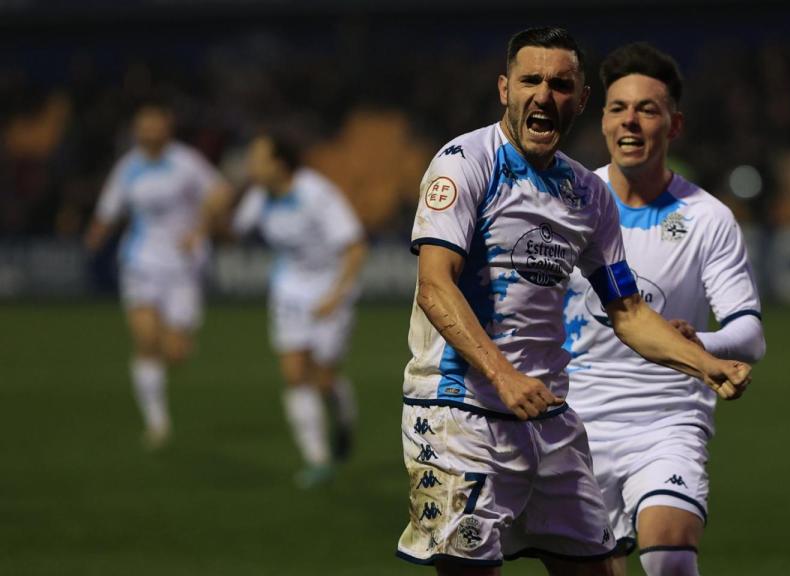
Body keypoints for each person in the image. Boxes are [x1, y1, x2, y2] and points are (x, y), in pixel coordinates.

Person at [396, 27, 752, 576]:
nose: (543, 95)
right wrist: (502, 375)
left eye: (561, 84)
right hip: (460, 416)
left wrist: (705, 365)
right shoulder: (465, 163)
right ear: (504, 89)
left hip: (548, 420)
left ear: (581, 100)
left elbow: (628, 313)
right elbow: (435, 286)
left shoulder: (587, 195)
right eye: (530, 80)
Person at [563, 43, 767, 576]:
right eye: (617, 108)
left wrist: (700, 343)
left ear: (673, 126)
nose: (630, 120)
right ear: (603, 120)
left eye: (647, 109)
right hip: (574, 425)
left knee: (671, 558)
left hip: (668, 418)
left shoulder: (707, 218)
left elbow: (749, 334)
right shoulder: (566, 206)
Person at [85, 96, 230, 450]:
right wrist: (94, 236)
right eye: (143, 124)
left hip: (182, 267)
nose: (149, 131)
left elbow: (220, 192)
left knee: (175, 353)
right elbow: (109, 209)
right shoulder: (128, 167)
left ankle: (177, 348)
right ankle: (157, 422)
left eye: (155, 124)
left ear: (168, 126)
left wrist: (202, 228)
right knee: (145, 341)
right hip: (140, 261)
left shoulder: (186, 162)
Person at [230, 132, 367, 488]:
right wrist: (213, 211)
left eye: (257, 158)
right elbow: (231, 233)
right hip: (289, 290)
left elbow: (354, 247)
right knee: (294, 375)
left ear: (279, 163)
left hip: (331, 287)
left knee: (322, 379)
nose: (251, 165)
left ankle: (343, 414)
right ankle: (317, 459)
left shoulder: (316, 193)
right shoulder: (259, 198)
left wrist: (337, 296)